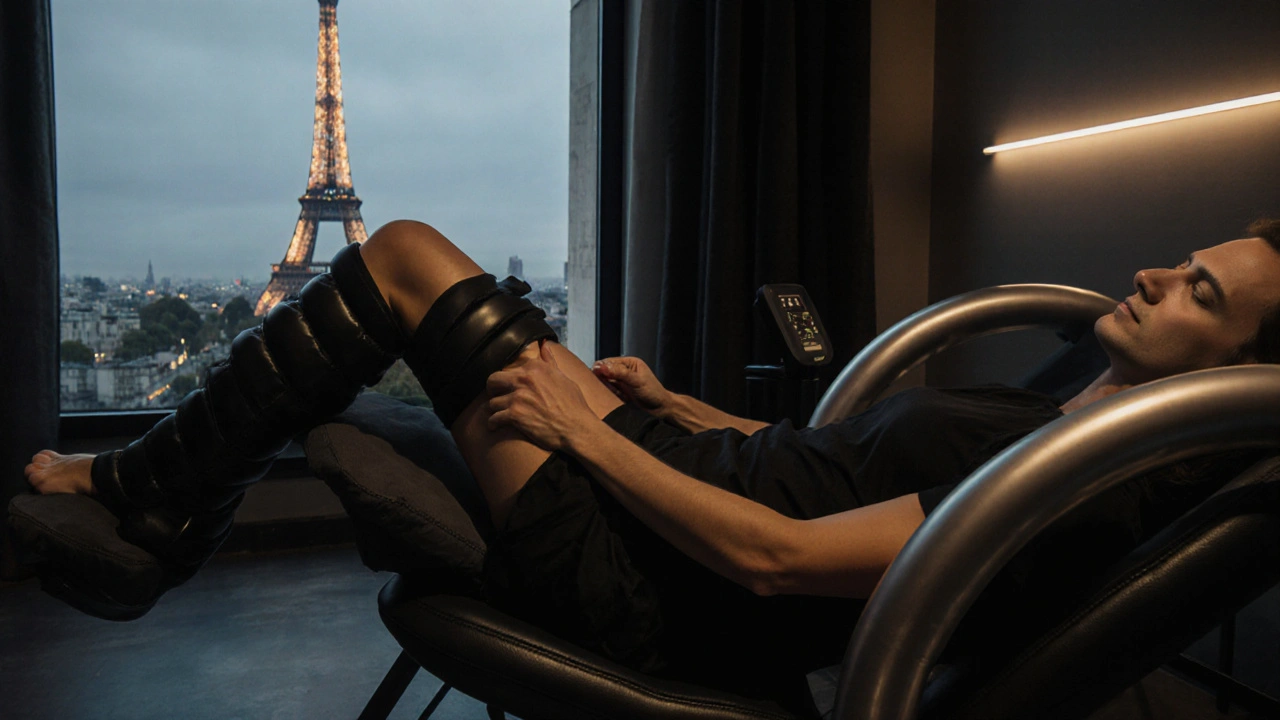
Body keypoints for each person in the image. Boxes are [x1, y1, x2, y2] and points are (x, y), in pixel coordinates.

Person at [25, 218, 1280, 710]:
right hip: (674, 499)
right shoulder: (1053, 418)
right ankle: (164, 505)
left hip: (658, 589)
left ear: (1226, 374)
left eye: (1198, 292)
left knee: (406, 258)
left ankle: (153, 502)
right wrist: (659, 403)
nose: (1155, 272)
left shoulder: (1068, 491)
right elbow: (814, 462)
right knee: (419, 280)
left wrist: (586, 435)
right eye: (1185, 260)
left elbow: (781, 559)